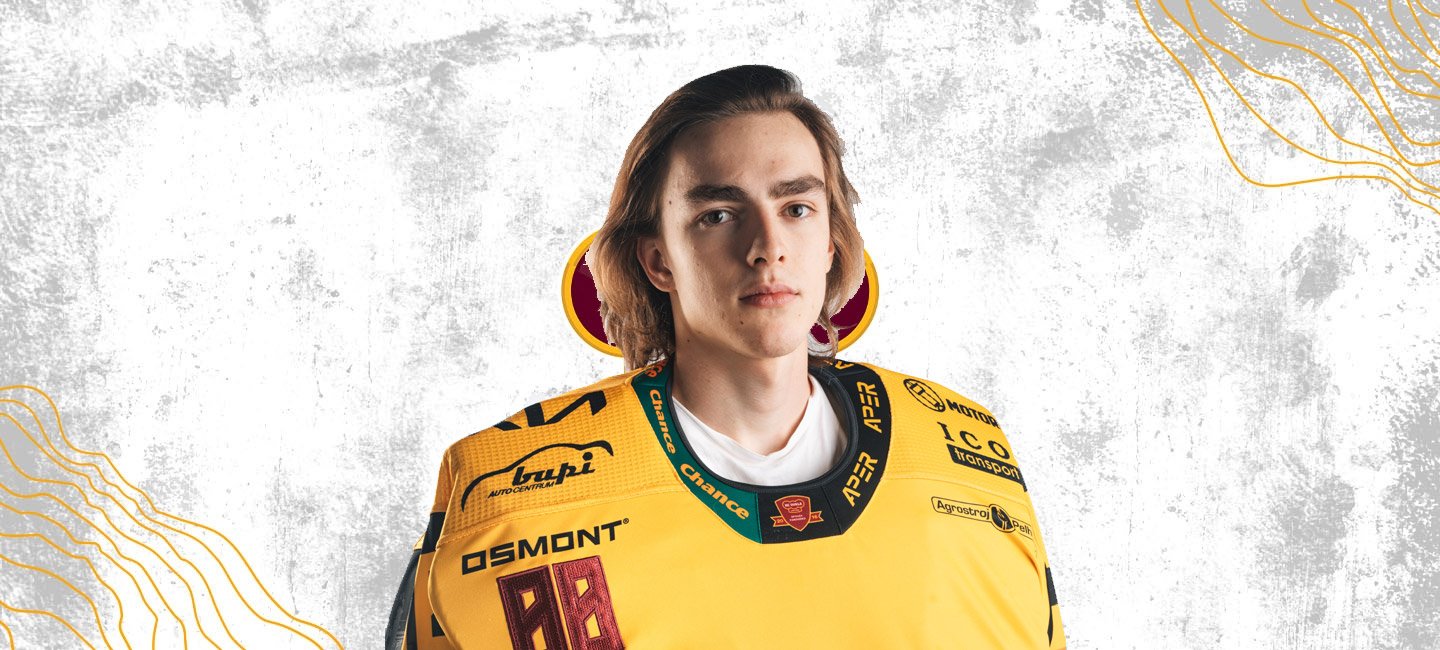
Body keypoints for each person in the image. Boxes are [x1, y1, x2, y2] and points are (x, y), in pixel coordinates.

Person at [386, 64, 1066, 649]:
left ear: (831, 241)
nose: (767, 247)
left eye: (797, 208)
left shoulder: (967, 452)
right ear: (658, 260)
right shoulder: (503, 490)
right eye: (718, 215)